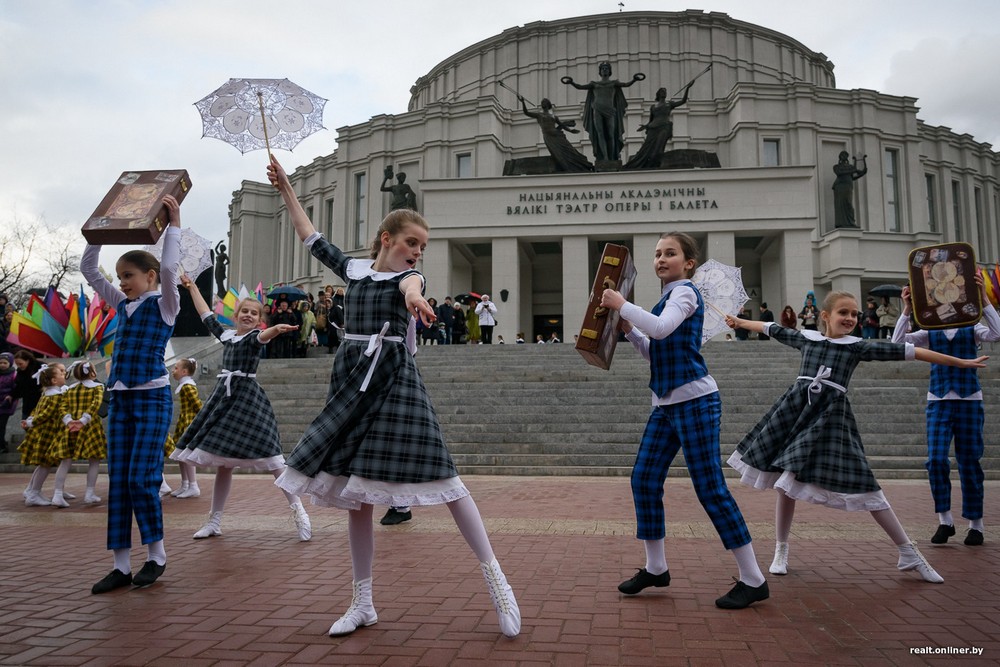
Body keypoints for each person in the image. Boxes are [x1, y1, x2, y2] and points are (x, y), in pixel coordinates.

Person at [267, 156, 520, 638]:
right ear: (387, 239)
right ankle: (362, 602)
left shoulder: (412, 279)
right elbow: (310, 235)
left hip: (394, 379)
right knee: (357, 494)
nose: (417, 253)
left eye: (422, 247)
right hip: (350, 378)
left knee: (448, 478)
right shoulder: (356, 270)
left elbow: (410, 286)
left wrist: (415, 298)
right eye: (411, 243)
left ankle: (497, 581)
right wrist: (285, 190)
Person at [725, 291, 989, 584]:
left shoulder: (857, 347)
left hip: (832, 421)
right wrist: (738, 321)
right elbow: (770, 328)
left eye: (855, 314)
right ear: (825, 316)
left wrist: (960, 362)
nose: (850, 318)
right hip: (795, 415)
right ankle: (781, 550)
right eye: (844, 313)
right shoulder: (807, 339)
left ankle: (908, 552)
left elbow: (911, 351)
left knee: (866, 483)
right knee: (785, 486)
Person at [598, 231, 768, 610]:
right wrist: (630, 332)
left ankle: (753, 578)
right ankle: (655, 567)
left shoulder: (686, 293)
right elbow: (654, 348)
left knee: (710, 488)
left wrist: (623, 305)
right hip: (666, 403)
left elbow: (659, 329)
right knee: (644, 479)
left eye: (670, 253)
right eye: (657, 253)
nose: (661, 259)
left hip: (695, 401)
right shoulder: (667, 297)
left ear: (688, 263)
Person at [81, 197, 183, 594]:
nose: (122, 281)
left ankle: (156, 555)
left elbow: (171, 267)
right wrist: (99, 232)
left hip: (153, 400)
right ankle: (120, 565)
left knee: (143, 479)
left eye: (129, 275)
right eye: (120, 276)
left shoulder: (166, 305)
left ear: (151, 276)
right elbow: (90, 270)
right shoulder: (120, 305)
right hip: (120, 401)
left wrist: (173, 223)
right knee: (119, 483)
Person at [172, 274, 311, 542]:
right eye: (244, 311)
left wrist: (276, 329)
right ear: (235, 315)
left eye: (253, 312)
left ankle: (300, 512)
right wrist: (191, 288)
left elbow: (264, 336)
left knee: (274, 461)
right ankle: (214, 520)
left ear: (259, 319)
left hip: (248, 400)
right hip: (224, 400)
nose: (247, 315)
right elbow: (204, 313)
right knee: (223, 465)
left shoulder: (256, 336)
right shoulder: (226, 335)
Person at [892, 274, 1000, 546]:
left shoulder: (971, 328)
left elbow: (997, 333)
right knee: (936, 460)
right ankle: (945, 520)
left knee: (969, 462)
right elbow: (896, 344)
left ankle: (976, 524)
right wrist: (906, 309)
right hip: (938, 400)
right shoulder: (930, 331)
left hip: (969, 400)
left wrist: (985, 301)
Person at [561, 61, 644, 162]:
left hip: (610, 111)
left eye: (606, 68)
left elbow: (626, 84)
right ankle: (604, 157)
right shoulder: (594, 84)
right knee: (600, 134)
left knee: (611, 134)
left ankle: (612, 156)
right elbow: (580, 87)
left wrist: (634, 80)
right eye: (603, 69)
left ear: (610, 71)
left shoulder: (614, 83)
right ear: (600, 72)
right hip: (597, 110)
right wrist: (571, 82)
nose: (605, 70)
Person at [19, 363, 68, 507]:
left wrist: (29, 420)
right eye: (60, 374)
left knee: (43, 465)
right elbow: (46, 414)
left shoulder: (46, 394)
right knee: (45, 465)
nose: (63, 375)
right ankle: (34, 493)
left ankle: (33, 491)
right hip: (48, 433)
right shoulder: (55, 397)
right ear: (53, 380)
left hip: (41, 432)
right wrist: (31, 422)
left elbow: (36, 411)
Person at [64, 360, 107, 505]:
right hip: (91, 426)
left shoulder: (70, 388)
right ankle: (90, 493)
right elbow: (96, 404)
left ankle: (58, 491)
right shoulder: (98, 387)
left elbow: (63, 406)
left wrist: (69, 420)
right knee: (94, 461)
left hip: (71, 426)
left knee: (65, 460)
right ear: (93, 372)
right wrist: (84, 419)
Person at [623, 84, 692, 170]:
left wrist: (687, 88)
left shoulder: (669, 104)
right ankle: (640, 163)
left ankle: (655, 161)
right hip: (653, 129)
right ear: (658, 94)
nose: (664, 93)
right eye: (662, 91)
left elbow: (683, 101)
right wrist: (646, 126)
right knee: (646, 148)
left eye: (665, 91)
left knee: (659, 147)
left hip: (664, 128)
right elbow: (651, 120)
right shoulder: (653, 107)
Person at [518, 96, 593, 173]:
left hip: (557, 135)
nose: (543, 103)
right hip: (549, 137)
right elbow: (526, 112)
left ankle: (582, 166)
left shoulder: (554, 116)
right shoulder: (539, 115)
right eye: (542, 102)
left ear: (548, 104)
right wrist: (523, 102)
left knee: (570, 150)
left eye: (544, 102)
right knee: (558, 154)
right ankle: (567, 168)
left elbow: (562, 125)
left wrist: (571, 131)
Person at [165, 359, 201, 499]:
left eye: (175, 368)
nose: (173, 371)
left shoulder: (187, 386)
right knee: (180, 454)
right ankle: (185, 484)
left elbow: (197, 405)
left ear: (184, 372)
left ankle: (193, 485)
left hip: (188, 422)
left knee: (185, 455)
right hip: (184, 422)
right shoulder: (184, 385)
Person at [832, 151, 867, 228]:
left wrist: (864, 169)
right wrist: (853, 169)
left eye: (846, 155)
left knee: (849, 204)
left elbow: (854, 176)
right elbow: (839, 172)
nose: (844, 156)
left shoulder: (850, 167)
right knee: (841, 205)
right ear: (840, 157)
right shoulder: (836, 166)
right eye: (843, 155)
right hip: (840, 187)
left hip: (848, 187)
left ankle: (850, 222)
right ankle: (841, 223)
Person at [11, 350, 42, 424]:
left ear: (27, 360)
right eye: (17, 364)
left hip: (39, 401)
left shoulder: (40, 367)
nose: (19, 366)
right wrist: (12, 396)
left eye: (20, 364)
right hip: (27, 403)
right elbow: (18, 386)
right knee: (25, 424)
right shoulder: (21, 371)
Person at [0, 352, 16, 452]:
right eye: (0, 362)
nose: (2, 365)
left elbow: (15, 389)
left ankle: (2, 446)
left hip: (6, 404)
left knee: (1, 425)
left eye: (5, 363)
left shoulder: (13, 374)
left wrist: (10, 397)